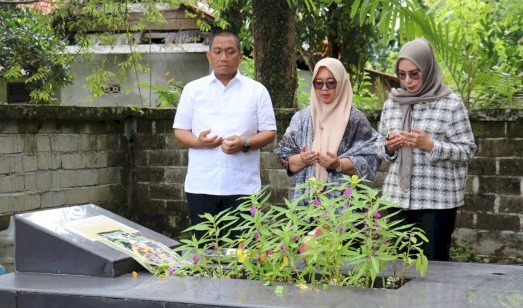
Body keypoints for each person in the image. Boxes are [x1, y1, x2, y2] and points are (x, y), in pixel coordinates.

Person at [376, 38, 476, 261]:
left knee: (433, 271)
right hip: (397, 201)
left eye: (414, 73)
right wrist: (389, 146)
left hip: (436, 203)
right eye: (402, 75)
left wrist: (431, 145)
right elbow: (378, 147)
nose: (407, 81)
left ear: (428, 69)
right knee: (399, 269)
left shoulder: (450, 104)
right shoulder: (393, 103)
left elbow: (468, 150)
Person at [173, 30, 277, 232]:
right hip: (201, 185)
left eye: (230, 52)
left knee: (242, 252)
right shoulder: (193, 89)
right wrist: (198, 142)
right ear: (209, 56)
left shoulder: (256, 90)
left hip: (243, 187)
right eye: (218, 51)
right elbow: (180, 130)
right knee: (205, 251)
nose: (224, 58)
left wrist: (244, 143)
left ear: (240, 56)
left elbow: (269, 132)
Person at [275, 58, 379, 202]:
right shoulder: (301, 118)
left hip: (344, 206)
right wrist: (302, 159)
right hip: (305, 203)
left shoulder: (355, 119)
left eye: (331, 82)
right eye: (319, 83)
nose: (324, 88)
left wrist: (339, 164)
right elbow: (284, 156)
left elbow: (373, 155)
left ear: (341, 83)